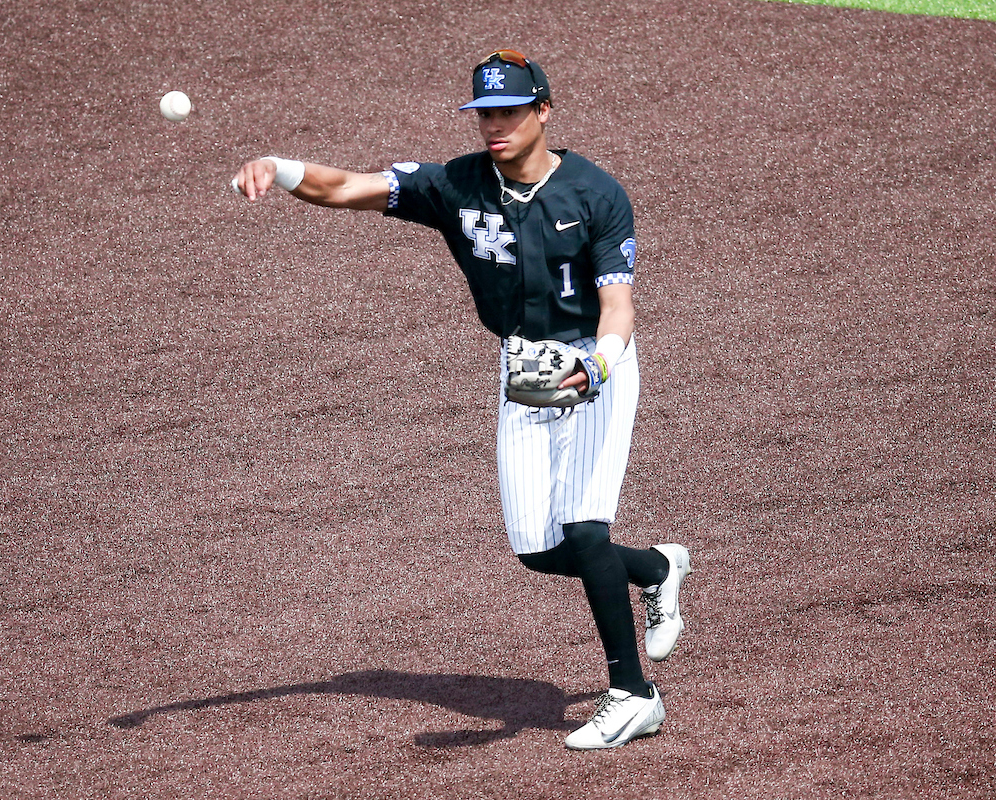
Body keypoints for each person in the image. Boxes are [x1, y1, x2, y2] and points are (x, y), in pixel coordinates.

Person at [231, 50, 693, 750]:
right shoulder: (454, 184)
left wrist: (598, 365)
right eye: (484, 114)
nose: (494, 125)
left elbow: (619, 306)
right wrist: (281, 167)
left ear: (544, 111)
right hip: (520, 370)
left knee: (584, 530)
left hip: (594, 365)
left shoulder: (597, 194)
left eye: (508, 111)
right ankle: (657, 567)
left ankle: (633, 694)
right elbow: (346, 188)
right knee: (537, 550)